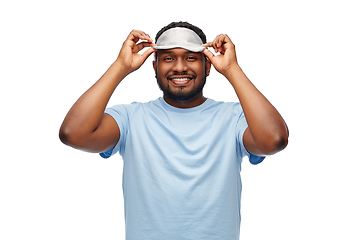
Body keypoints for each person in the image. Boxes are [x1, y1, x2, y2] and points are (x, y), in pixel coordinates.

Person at [59, 21, 289, 240]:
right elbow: (73, 133)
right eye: (168, 58)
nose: (180, 67)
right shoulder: (130, 118)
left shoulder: (235, 117)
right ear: (155, 66)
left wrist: (232, 69)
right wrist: (121, 67)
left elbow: (274, 140)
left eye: (191, 58)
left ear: (208, 66)